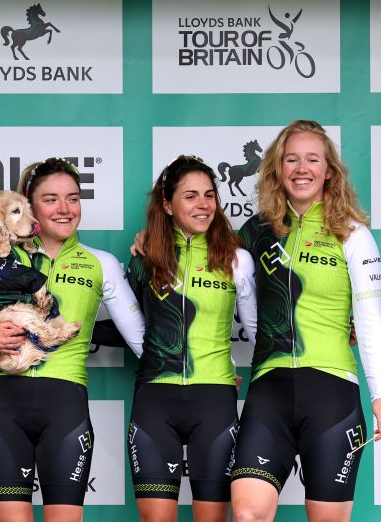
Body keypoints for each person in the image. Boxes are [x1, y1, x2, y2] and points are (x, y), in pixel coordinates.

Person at [0, 157, 145, 522]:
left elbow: (142, 341)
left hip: (65, 409)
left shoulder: (100, 263)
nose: (64, 209)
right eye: (51, 199)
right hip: (3, 409)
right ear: (30, 205)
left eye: (73, 198)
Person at [230, 120, 381, 522]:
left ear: (329, 172)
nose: (301, 168)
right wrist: (150, 239)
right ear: (276, 170)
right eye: (291, 159)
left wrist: (380, 394)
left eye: (312, 159)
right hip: (268, 391)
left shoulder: (352, 234)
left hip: (332, 394)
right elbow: (210, 261)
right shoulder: (255, 232)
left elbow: (369, 318)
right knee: (248, 514)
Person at [126, 155, 257, 522]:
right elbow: (131, 327)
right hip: (154, 399)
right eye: (190, 196)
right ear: (167, 205)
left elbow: (261, 330)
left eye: (209, 195)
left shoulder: (236, 259)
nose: (203, 205)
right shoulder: (145, 255)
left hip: (214, 399)